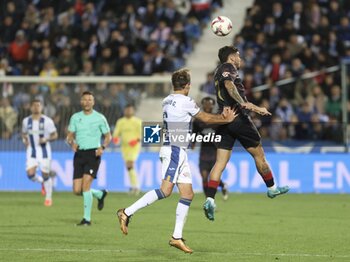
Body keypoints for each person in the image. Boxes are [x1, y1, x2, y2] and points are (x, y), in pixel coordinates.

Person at [116, 68, 237, 254]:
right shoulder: (186, 101)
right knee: (165, 190)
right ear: (187, 85)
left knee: (187, 194)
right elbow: (204, 118)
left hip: (177, 150)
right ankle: (126, 212)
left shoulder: (167, 100)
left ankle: (176, 237)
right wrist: (224, 118)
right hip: (174, 150)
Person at [203, 46, 289, 221]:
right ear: (232, 57)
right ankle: (272, 188)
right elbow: (229, 85)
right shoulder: (228, 68)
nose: (240, 59)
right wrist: (246, 104)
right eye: (239, 56)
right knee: (259, 155)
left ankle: (210, 199)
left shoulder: (217, 71)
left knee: (219, 163)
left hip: (224, 119)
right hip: (239, 119)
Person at [66, 91, 111, 226]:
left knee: (86, 186)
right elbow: (69, 135)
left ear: (93, 102)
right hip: (79, 154)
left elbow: (108, 136)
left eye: (89, 100)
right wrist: (72, 142)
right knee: (76, 190)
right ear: (81, 102)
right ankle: (99, 194)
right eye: (84, 100)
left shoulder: (100, 118)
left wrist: (102, 147)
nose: (87, 102)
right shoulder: (75, 117)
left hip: (93, 154)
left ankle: (87, 219)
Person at [22, 99, 58, 207]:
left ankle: (48, 198)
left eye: (38, 105)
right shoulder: (26, 121)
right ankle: (42, 182)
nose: (36, 107)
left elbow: (55, 135)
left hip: (44, 151)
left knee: (45, 173)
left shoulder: (47, 121)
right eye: (34, 105)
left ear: (41, 107)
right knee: (30, 174)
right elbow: (23, 134)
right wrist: (25, 141)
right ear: (31, 107)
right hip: (31, 151)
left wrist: (46, 139)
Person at [192, 97, 228, 200]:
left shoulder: (217, 119)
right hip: (204, 152)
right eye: (206, 104)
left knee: (214, 177)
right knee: (204, 178)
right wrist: (193, 143)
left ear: (213, 106)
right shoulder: (198, 121)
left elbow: (223, 134)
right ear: (203, 106)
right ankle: (209, 200)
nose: (208, 106)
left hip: (215, 152)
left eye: (210, 104)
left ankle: (223, 185)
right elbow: (194, 133)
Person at [112, 104, 142, 195]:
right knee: (129, 167)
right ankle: (134, 186)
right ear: (124, 111)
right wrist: (115, 139)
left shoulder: (138, 121)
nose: (128, 112)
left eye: (130, 110)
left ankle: (136, 186)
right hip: (124, 147)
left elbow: (142, 134)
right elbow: (116, 134)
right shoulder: (120, 121)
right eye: (127, 110)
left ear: (133, 111)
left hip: (134, 147)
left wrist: (136, 140)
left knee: (130, 164)